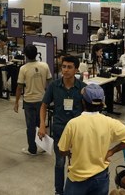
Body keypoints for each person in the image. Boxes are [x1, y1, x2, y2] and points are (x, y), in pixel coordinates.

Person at [58, 84, 125, 195]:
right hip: (100, 177)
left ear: (83, 102)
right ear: (102, 102)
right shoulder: (109, 122)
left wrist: (71, 152)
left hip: (77, 178)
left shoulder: (73, 124)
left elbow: (62, 150)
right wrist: (111, 151)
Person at [39, 55, 87, 195]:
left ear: (76, 69)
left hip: (77, 132)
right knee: (60, 163)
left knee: (75, 164)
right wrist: (43, 124)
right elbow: (44, 105)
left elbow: (87, 111)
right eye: (63, 67)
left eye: (69, 67)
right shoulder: (54, 85)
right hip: (60, 130)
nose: (65, 70)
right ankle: (59, 191)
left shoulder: (83, 88)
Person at [14, 44, 52, 155]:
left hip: (29, 101)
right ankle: (43, 146)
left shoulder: (23, 69)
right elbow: (50, 83)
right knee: (41, 124)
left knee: (30, 127)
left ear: (25, 55)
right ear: (37, 53)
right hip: (42, 100)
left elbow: (19, 87)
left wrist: (16, 102)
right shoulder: (44, 66)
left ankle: (32, 149)